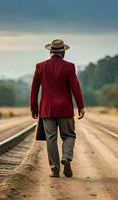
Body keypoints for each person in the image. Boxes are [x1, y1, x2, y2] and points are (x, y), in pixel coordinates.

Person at [30, 39, 85, 178]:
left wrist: (34, 108)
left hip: (47, 109)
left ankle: (55, 169)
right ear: (63, 52)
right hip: (64, 108)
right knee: (69, 135)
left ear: (50, 51)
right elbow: (75, 88)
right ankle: (66, 157)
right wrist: (81, 106)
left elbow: (34, 89)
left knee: (51, 139)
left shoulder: (40, 66)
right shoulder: (69, 67)